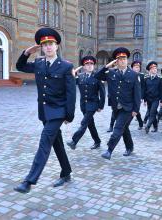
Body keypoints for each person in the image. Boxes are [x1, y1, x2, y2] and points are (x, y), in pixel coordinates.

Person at [14, 27, 76, 193]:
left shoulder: (65, 66)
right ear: (41, 47)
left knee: (44, 143)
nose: (48, 47)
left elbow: (71, 93)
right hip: (44, 112)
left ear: (57, 46)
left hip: (58, 112)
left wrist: (69, 115)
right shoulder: (39, 63)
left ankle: (29, 181)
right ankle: (66, 172)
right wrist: (27, 52)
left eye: (51, 43)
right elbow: (20, 66)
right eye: (45, 44)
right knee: (57, 143)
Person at [93, 47, 141, 160]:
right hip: (116, 107)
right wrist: (107, 66)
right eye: (119, 59)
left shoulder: (133, 75)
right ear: (116, 61)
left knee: (118, 128)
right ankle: (130, 147)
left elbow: (137, 95)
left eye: (124, 58)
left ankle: (109, 150)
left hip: (128, 108)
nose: (122, 60)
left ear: (127, 60)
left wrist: (136, 110)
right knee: (124, 129)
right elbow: (97, 76)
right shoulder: (111, 73)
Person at [66, 56, 105, 150]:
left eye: (91, 64)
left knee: (84, 123)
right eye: (87, 64)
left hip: (93, 104)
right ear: (84, 66)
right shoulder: (80, 76)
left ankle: (74, 141)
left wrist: (101, 106)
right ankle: (97, 141)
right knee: (90, 124)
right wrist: (71, 74)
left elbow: (103, 93)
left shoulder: (98, 76)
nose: (90, 65)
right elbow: (70, 84)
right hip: (83, 105)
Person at [143, 61, 162, 134]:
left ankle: (148, 126)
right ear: (150, 70)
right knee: (152, 113)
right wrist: (144, 100)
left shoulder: (159, 79)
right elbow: (145, 90)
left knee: (152, 112)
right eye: (153, 68)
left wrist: (161, 101)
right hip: (149, 99)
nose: (155, 69)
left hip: (156, 99)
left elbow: (161, 91)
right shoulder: (146, 79)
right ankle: (155, 127)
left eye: (155, 68)